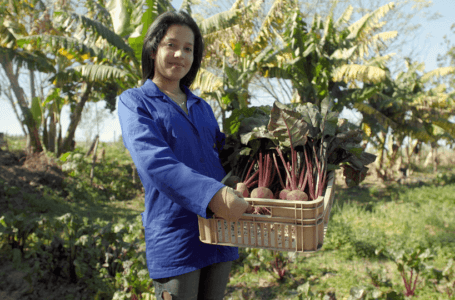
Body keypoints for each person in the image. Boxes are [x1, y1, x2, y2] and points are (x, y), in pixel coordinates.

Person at [117, 10, 253, 300]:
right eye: (171, 45)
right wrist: (214, 196)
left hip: (220, 231)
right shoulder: (135, 101)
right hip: (176, 235)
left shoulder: (201, 106)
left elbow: (224, 156)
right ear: (153, 49)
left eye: (188, 49)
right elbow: (155, 162)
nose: (180, 54)